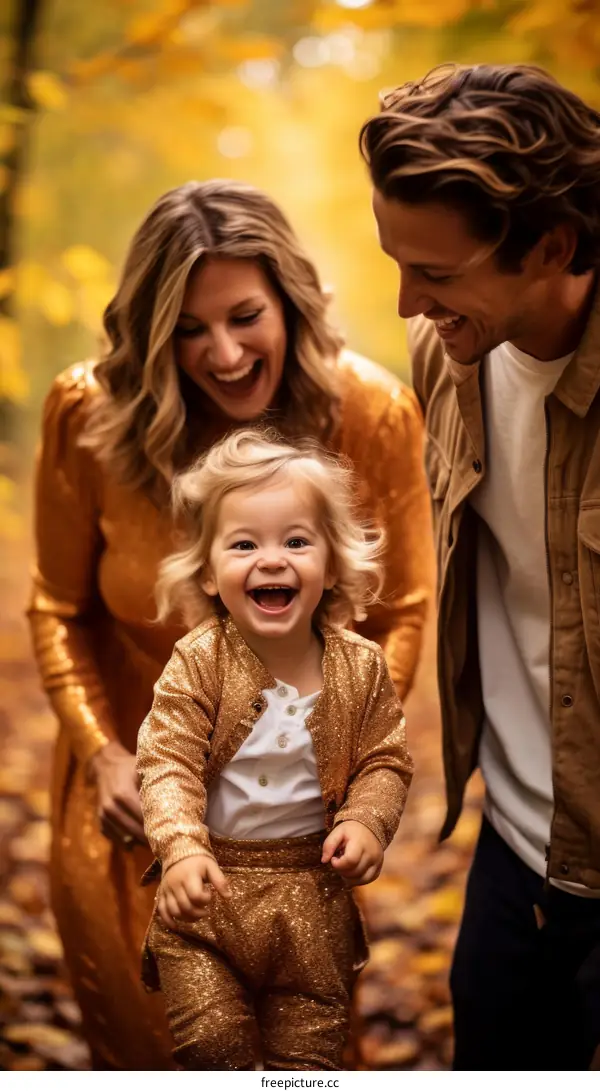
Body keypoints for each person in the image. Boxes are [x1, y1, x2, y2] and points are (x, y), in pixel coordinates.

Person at [27, 179, 432, 1070]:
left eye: (246, 315)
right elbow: (58, 607)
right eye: (187, 328)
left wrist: (343, 757)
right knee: (150, 1049)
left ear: (289, 298)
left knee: (295, 1056)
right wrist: (102, 753)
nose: (223, 352)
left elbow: (402, 609)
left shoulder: (369, 413)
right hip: (123, 804)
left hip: (292, 836)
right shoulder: (87, 411)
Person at [360, 62, 600, 1071]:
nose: (409, 302)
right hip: (513, 860)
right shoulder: (445, 354)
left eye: (439, 274)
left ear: (554, 244)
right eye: (396, 262)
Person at [136, 428, 413, 1071]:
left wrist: (367, 821)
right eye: (243, 544)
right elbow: (167, 758)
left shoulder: (361, 668)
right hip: (209, 897)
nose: (271, 560)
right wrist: (180, 847)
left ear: (333, 561)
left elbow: (384, 759)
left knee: (308, 1061)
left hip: (312, 907)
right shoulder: (199, 662)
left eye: (295, 541)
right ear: (208, 570)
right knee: (215, 1049)